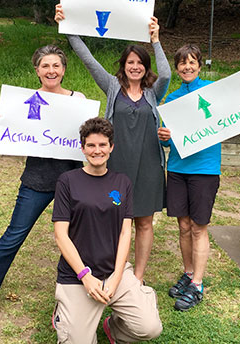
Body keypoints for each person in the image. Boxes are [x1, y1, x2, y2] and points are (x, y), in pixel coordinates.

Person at [0, 44, 85, 328]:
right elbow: (14, 132)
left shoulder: (78, 99)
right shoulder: (21, 102)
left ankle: (74, 301)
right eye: (45, 66)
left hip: (72, 181)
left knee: (76, 241)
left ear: (64, 69)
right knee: (14, 236)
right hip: (36, 180)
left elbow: (89, 136)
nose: (51, 70)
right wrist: (0, 124)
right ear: (37, 71)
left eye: (56, 65)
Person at [54, 4, 171, 283]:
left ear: (145, 67)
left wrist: (155, 40)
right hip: (116, 167)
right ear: (123, 66)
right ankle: (110, 268)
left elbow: (166, 73)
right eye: (130, 62)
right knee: (113, 220)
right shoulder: (112, 87)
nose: (135, 66)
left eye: (140, 63)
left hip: (148, 167)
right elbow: (87, 58)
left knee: (143, 222)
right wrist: (68, 27)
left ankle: (138, 277)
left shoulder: (154, 92)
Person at [158, 43, 240, 311]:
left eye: (192, 62)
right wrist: (164, 137)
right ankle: (188, 272)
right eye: (182, 63)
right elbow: (168, 143)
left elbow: (238, 103)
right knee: (183, 225)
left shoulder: (213, 91)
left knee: (198, 226)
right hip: (178, 169)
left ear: (199, 64)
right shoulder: (171, 100)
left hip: (204, 170)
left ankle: (198, 284)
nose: (187, 67)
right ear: (177, 67)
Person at [52, 117, 162, 344]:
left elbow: (125, 233)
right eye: (91, 145)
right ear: (82, 148)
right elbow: (60, 235)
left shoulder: (122, 182)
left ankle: (113, 327)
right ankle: (63, 314)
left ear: (111, 147)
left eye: (102, 145)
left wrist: (117, 276)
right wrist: (85, 276)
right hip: (77, 275)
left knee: (150, 328)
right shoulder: (67, 181)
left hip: (114, 271)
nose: (97, 150)